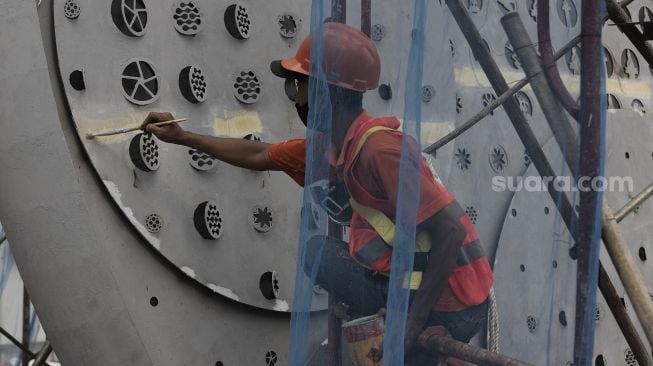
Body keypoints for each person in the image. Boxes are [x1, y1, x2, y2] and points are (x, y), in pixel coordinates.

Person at [142, 22, 493, 364]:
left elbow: (450, 230)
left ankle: (401, 326)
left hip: (455, 305)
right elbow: (259, 155)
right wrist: (183, 137)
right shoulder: (338, 145)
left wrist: (410, 322)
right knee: (319, 252)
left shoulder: (379, 150)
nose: (296, 98)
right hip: (437, 289)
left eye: (298, 88)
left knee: (320, 254)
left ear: (327, 93)